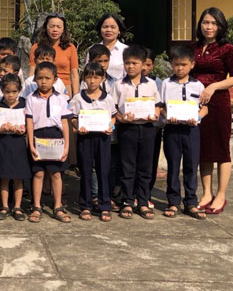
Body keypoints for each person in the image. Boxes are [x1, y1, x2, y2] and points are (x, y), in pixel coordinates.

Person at [191, 7, 233, 215]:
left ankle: (221, 195)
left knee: (221, 149)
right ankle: (206, 193)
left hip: (219, 103)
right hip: (196, 103)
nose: (209, 27)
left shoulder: (227, 48)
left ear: (220, 26)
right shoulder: (194, 47)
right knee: (204, 149)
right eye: (205, 22)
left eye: (213, 23)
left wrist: (213, 86)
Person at [113, 45, 161, 220]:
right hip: (127, 129)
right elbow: (113, 109)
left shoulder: (151, 84)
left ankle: (143, 201)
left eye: (135, 63)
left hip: (147, 128)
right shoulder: (119, 85)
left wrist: (155, 115)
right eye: (127, 63)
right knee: (127, 166)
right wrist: (121, 118)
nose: (131, 66)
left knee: (145, 166)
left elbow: (157, 105)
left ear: (143, 64)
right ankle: (127, 201)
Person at [161, 45, 208, 220]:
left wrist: (197, 117)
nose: (179, 68)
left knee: (191, 166)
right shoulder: (166, 84)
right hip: (172, 129)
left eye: (183, 64)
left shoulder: (198, 85)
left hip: (191, 130)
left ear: (192, 64)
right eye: (176, 64)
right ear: (171, 64)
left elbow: (205, 108)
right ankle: (173, 202)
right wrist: (167, 116)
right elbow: (161, 107)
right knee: (173, 166)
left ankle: (191, 202)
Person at [69, 62, 117, 222]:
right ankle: (85, 205)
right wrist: (78, 126)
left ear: (103, 78)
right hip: (85, 138)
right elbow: (73, 118)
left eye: (96, 77)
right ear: (84, 78)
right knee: (85, 172)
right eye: (89, 77)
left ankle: (104, 206)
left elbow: (113, 117)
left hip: (103, 139)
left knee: (103, 171)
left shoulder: (108, 99)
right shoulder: (78, 98)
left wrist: (110, 127)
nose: (92, 81)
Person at [26, 62, 72, 224]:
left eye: (47, 78)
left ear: (55, 79)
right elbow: (29, 122)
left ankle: (58, 206)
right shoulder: (31, 98)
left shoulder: (61, 99)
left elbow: (65, 123)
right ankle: (36, 206)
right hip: (38, 137)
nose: (43, 81)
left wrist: (67, 146)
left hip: (56, 137)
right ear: (35, 79)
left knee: (56, 173)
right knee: (38, 173)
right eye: (40, 78)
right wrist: (31, 144)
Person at [0, 74, 29, 221]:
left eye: (14, 91)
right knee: (4, 177)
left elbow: (28, 125)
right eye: (7, 92)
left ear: (19, 91)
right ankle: (4, 206)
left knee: (18, 177)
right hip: (3, 144)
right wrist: (1, 128)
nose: (11, 95)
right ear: (2, 91)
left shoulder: (24, 105)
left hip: (18, 144)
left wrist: (22, 130)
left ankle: (17, 206)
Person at [29, 14, 79, 96]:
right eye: (52, 26)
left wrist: (76, 95)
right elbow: (32, 72)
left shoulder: (70, 48)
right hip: (41, 89)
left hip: (64, 91)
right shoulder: (36, 47)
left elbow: (74, 74)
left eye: (58, 27)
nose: (55, 30)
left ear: (63, 29)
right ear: (46, 28)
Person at [143, 47, 164, 209]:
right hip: (133, 128)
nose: (144, 68)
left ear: (153, 65)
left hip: (153, 130)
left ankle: (146, 194)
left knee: (150, 163)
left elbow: (162, 106)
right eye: (142, 63)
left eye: (148, 64)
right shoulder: (126, 82)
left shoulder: (159, 83)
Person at [87, 14, 129, 81]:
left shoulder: (126, 50)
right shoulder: (92, 49)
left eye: (113, 27)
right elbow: (87, 73)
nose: (109, 30)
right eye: (105, 27)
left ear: (119, 30)